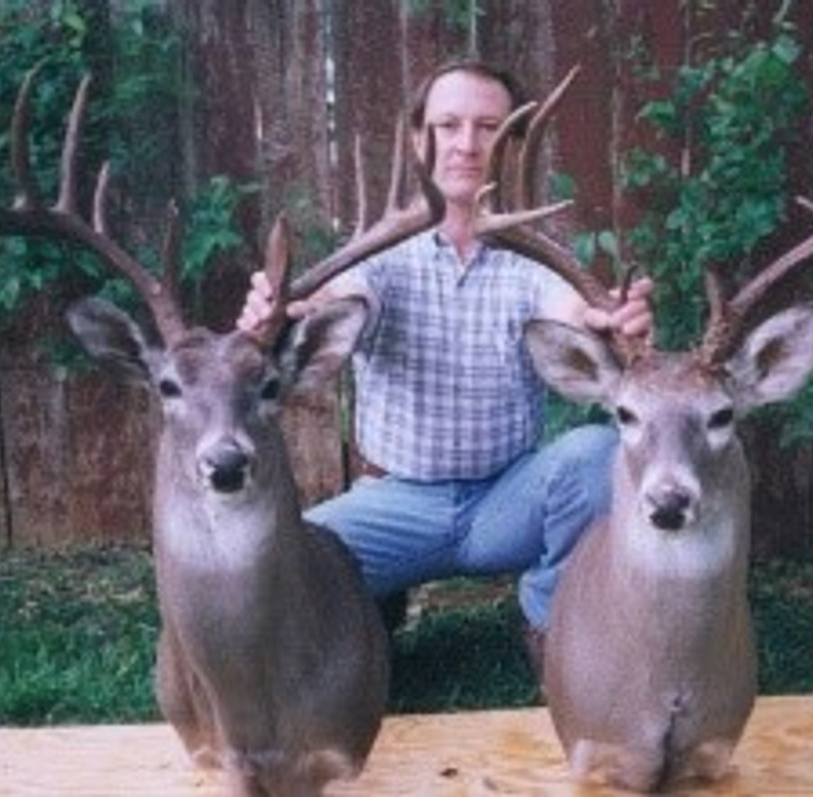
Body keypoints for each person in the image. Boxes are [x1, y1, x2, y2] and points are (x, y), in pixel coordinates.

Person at [237, 58, 653, 673]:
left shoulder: (538, 260)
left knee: (596, 454)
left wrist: (609, 322)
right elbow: (343, 298)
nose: (466, 143)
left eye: (489, 127)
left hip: (505, 502)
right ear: (415, 138)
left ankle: (550, 623)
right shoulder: (383, 256)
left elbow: (567, 309)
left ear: (514, 144)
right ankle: (371, 602)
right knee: (280, 566)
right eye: (447, 124)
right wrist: (285, 311)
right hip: (395, 503)